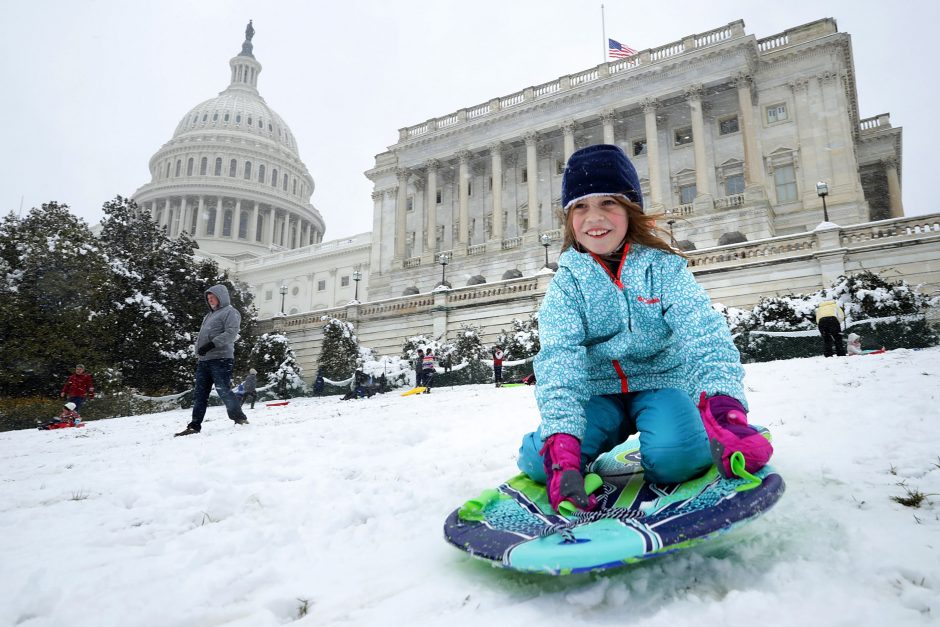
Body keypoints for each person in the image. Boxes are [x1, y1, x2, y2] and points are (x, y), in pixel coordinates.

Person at [516, 144, 772, 514]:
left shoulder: (663, 268)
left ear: (629, 209)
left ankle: (715, 429)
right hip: (598, 392)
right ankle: (557, 441)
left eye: (608, 203)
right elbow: (559, 360)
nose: (594, 217)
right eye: (581, 206)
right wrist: (562, 444)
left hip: (661, 382)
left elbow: (702, 332)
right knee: (541, 463)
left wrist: (725, 409)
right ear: (569, 217)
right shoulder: (566, 284)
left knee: (676, 461)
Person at [175, 285, 249, 436]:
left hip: (221, 359)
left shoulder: (230, 312)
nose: (210, 300)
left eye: (213, 297)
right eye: (208, 299)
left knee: (223, 390)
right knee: (200, 394)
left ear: (221, 297)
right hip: (204, 360)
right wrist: (199, 351)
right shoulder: (208, 316)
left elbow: (231, 333)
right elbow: (203, 336)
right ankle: (194, 426)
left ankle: (239, 418)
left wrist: (211, 344)